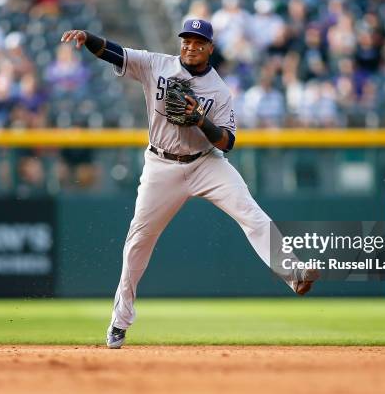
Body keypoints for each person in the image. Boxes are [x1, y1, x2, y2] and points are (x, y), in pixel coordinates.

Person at [60, 19, 317, 349]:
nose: (190, 47)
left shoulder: (220, 91)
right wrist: (86, 37)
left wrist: (200, 120)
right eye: (186, 41)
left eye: (198, 42)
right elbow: (114, 52)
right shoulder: (156, 64)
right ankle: (119, 322)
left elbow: (227, 143)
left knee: (251, 214)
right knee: (139, 241)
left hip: (206, 163)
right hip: (161, 165)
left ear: (210, 48)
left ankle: (294, 274)